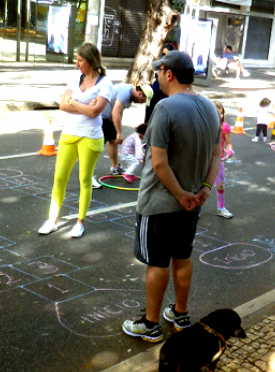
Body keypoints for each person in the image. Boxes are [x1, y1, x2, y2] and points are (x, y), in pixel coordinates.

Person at [122, 51, 222, 342]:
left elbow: (159, 163)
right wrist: (204, 188)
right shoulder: (210, 108)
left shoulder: (165, 108)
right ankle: (180, 314)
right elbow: (217, 155)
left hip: (160, 203)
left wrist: (179, 195)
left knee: (157, 262)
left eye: (158, 73)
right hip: (192, 202)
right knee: (182, 257)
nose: (156, 79)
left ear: (168, 73)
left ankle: (150, 324)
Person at [38, 43, 112, 237]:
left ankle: (80, 223)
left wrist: (75, 102)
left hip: (91, 137)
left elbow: (96, 112)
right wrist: (83, 104)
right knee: (59, 178)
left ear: (91, 61)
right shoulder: (74, 78)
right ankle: (52, 220)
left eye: (80, 60)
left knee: (84, 180)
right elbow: (64, 105)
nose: (77, 63)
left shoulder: (105, 84)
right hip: (70, 134)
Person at [101, 84, 153, 175]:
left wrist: (118, 127)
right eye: (142, 101)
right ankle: (88, 175)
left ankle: (115, 167)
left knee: (113, 141)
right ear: (140, 94)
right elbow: (115, 112)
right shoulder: (125, 93)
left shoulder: (129, 92)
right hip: (100, 117)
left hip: (110, 118)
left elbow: (119, 112)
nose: (141, 103)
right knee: (98, 146)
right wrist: (119, 132)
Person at [212, 100, 235, 219]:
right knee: (200, 186)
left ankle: (221, 208)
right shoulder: (206, 126)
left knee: (220, 185)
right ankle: (196, 208)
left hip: (218, 160)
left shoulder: (224, 127)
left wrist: (230, 150)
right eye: (217, 113)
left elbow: (228, 143)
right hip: (205, 160)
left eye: (221, 113)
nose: (220, 116)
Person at [144, 43, 175, 124]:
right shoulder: (159, 74)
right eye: (163, 54)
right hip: (150, 111)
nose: (164, 57)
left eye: (166, 55)